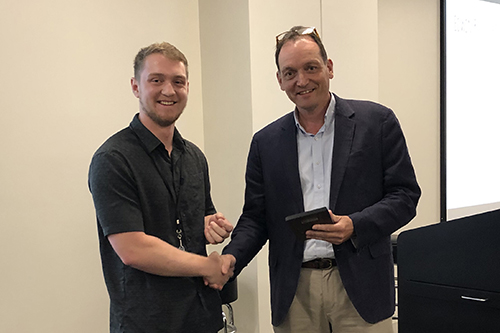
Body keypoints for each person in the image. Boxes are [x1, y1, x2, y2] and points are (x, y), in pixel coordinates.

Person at [221, 26, 421, 332]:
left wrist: (355, 225)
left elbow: (405, 196)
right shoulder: (266, 142)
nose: (301, 80)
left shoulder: (377, 123)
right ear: (279, 81)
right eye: (290, 73)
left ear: (329, 67)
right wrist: (229, 260)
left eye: (310, 67)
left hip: (361, 286)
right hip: (294, 290)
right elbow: (256, 217)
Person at [88, 42, 234, 333]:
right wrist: (207, 266)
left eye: (178, 82)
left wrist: (209, 225)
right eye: (156, 80)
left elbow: (200, 217)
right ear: (136, 86)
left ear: (187, 88)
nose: (169, 90)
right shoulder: (112, 160)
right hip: (146, 322)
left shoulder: (195, 158)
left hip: (201, 317)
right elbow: (133, 249)